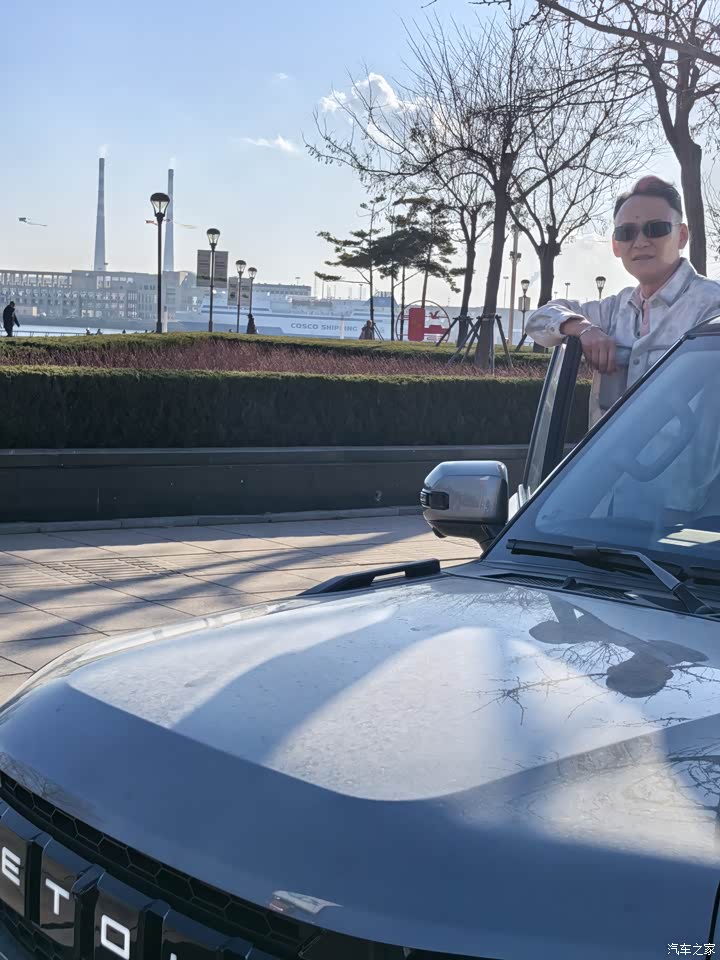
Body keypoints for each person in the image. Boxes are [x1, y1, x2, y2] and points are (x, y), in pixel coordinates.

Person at [526, 176, 720, 425]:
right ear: (616, 245)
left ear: (682, 235)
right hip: (610, 452)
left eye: (656, 229)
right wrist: (582, 328)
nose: (640, 242)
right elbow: (538, 320)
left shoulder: (711, 306)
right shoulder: (614, 310)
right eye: (626, 233)